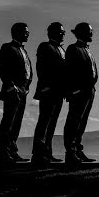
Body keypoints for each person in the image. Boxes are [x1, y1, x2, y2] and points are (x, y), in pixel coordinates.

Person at [0, 22, 33, 166]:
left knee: (16, 123)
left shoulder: (24, 50)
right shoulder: (8, 47)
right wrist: (11, 86)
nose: (28, 34)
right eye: (25, 31)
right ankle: (3, 153)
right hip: (13, 92)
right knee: (8, 122)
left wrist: (27, 87)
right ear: (16, 32)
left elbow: (28, 70)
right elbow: (2, 68)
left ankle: (12, 151)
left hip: (23, 91)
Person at [31, 22, 67, 166]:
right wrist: (45, 86)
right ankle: (38, 154)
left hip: (59, 92)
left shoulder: (62, 49)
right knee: (44, 123)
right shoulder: (45, 47)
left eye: (63, 32)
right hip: (48, 92)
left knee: (51, 124)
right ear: (52, 32)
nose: (63, 34)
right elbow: (41, 67)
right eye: (61, 32)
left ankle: (48, 153)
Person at [62, 22, 98, 165]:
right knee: (74, 121)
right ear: (81, 33)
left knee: (82, 122)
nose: (91, 34)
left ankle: (77, 149)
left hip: (89, 91)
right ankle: (70, 152)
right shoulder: (73, 49)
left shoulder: (87, 50)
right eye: (89, 31)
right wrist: (74, 90)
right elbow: (69, 71)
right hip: (79, 92)